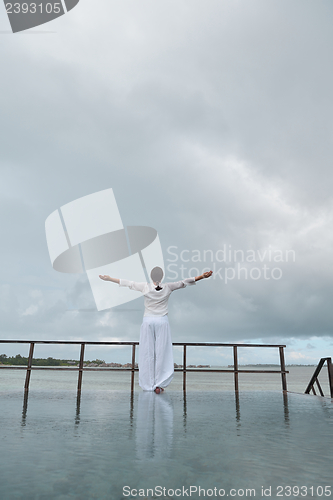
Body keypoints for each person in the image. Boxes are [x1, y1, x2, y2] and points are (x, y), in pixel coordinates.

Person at [99, 268, 213, 393]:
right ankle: (159, 384)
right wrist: (202, 276)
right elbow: (184, 282)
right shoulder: (168, 287)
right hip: (162, 321)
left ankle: (148, 385)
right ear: (162, 276)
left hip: (148, 321)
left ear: (151, 276)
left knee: (146, 352)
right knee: (162, 353)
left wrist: (109, 278)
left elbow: (128, 283)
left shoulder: (145, 287)